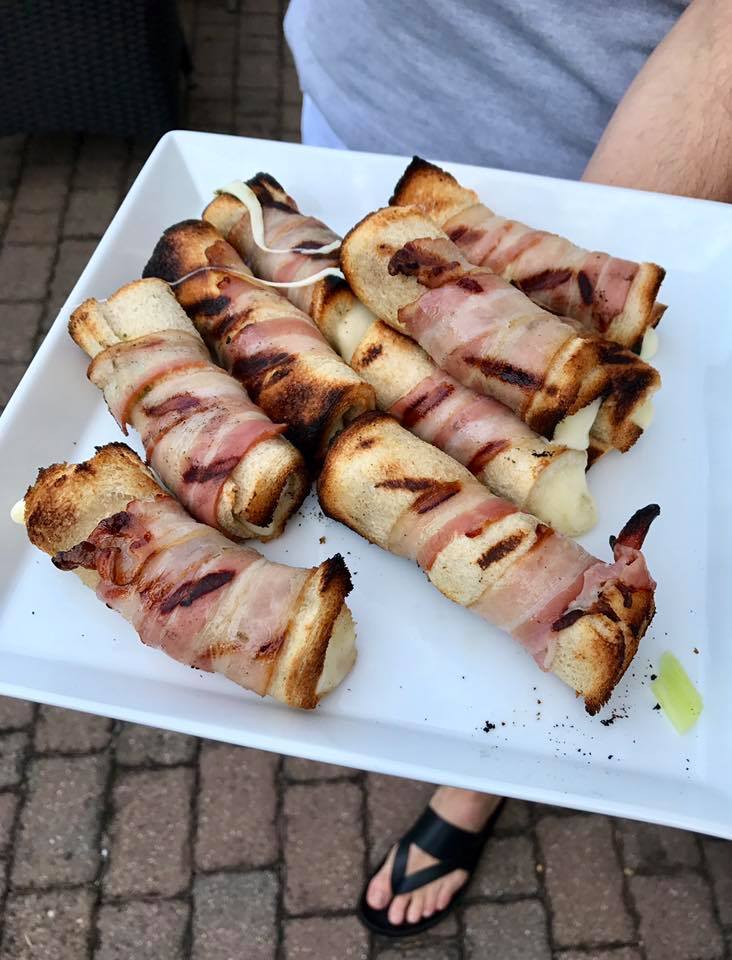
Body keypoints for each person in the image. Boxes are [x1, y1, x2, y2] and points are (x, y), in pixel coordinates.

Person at [284, 0, 731, 938]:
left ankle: (478, 778)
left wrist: (565, 313)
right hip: (352, 125)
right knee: (316, 313)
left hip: (607, 162)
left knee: (506, 512)